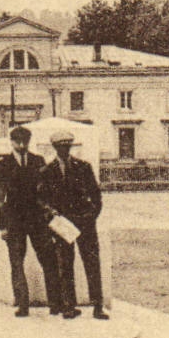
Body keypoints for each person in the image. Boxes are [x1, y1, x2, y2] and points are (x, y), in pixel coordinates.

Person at [38, 130, 108, 320]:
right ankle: (69, 306)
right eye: (61, 146)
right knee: (65, 265)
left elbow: (96, 196)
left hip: (85, 222)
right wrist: (52, 215)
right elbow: (42, 199)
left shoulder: (83, 167)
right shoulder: (46, 171)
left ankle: (97, 306)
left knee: (92, 264)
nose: (64, 149)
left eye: (67, 146)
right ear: (55, 148)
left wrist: (90, 216)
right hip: (63, 225)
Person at [0, 125, 61, 317]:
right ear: (12, 142)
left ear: (29, 141)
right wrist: (2, 226)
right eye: (18, 141)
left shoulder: (38, 161)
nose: (22, 145)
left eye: (25, 141)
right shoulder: (3, 164)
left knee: (49, 260)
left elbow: (46, 191)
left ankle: (55, 304)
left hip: (37, 220)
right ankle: (22, 304)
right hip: (14, 221)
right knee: (17, 262)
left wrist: (49, 217)